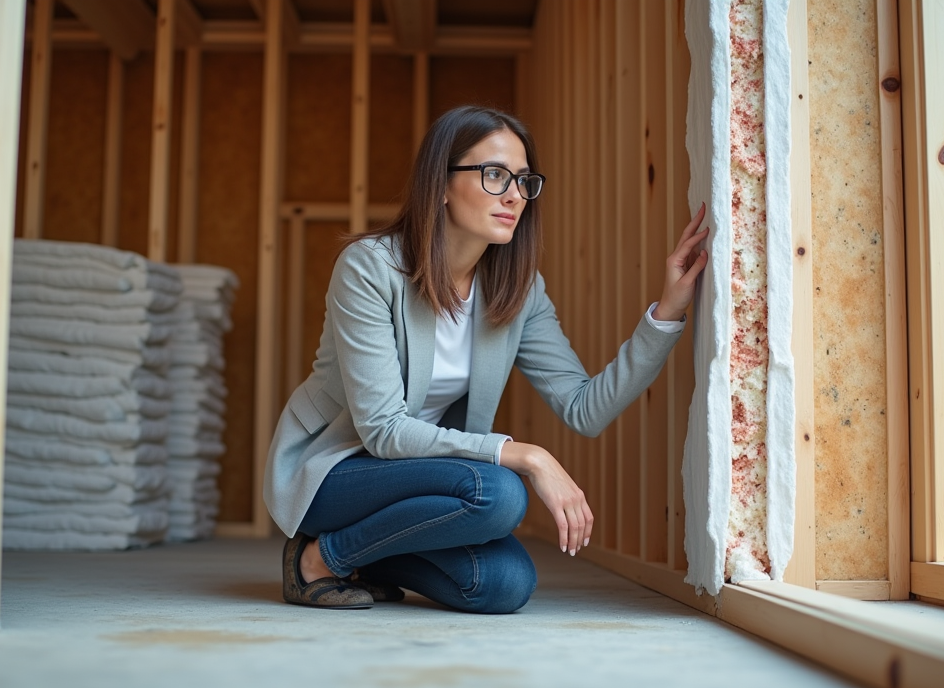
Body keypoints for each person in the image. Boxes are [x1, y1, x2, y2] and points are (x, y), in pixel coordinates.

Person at [263, 105, 708, 613]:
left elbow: (585, 409)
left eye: (522, 180)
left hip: (422, 484)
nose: (515, 195)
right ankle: (319, 558)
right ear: (443, 183)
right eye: (495, 175)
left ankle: (363, 556)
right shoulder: (370, 268)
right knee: (497, 493)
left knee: (503, 584)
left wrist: (667, 312)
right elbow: (384, 430)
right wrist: (527, 455)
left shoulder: (519, 291)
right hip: (336, 471)